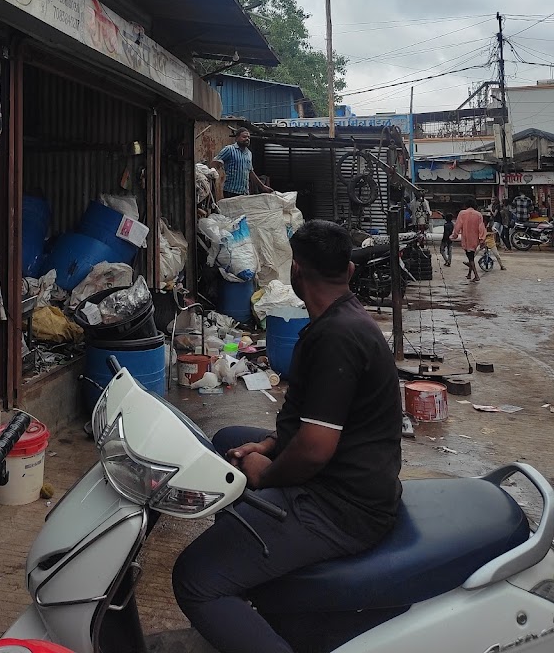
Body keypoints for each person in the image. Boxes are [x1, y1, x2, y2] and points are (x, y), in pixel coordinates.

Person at [172, 220, 402, 653]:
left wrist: (267, 474)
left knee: (194, 578)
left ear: (296, 273)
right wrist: (270, 446)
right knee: (229, 440)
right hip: (351, 471)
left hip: (343, 505)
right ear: (348, 273)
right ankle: (259, 567)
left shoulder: (336, 337)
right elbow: (322, 420)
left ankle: (233, 577)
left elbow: (315, 449)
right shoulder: (345, 320)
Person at [213, 127, 273, 200]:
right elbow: (215, 162)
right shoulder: (229, 149)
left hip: (244, 192)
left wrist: (263, 187)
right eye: (244, 137)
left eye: (248, 137)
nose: (247, 139)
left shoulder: (248, 153)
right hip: (231, 191)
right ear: (237, 138)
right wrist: (218, 165)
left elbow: (250, 172)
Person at [451, 198, 486, 283]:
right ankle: (469, 274)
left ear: (465, 205)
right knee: (471, 256)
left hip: (466, 238)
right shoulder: (478, 215)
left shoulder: (462, 213)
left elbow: (457, 226)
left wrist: (454, 236)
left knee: (470, 258)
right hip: (475, 238)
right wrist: (482, 240)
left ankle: (476, 276)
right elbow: (481, 228)